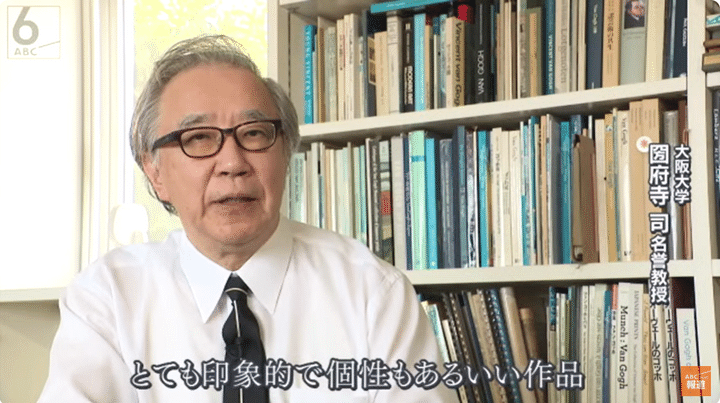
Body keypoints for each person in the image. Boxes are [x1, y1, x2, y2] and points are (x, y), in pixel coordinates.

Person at [39, 34, 459, 402]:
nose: (232, 163)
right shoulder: (108, 299)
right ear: (155, 173)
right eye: (197, 138)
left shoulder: (373, 295)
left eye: (254, 133)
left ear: (286, 154)